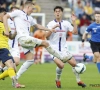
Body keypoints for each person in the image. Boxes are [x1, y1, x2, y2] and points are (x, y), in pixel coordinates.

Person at [3, 1, 67, 81]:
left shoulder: (30, 18)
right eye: (32, 9)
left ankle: (16, 78)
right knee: (45, 43)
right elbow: (5, 16)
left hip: (26, 40)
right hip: (23, 38)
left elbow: (37, 26)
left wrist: (49, 29)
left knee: (30, 60)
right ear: (28, 7)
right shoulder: (18, 12)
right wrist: (6, 30)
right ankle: (61, 57)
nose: (33, 10)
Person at [46, 6, 86, 88]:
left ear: (62, 13)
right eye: (56, 11)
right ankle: (57, 80)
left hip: (64, 48)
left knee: (75, 64)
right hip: (54, 49)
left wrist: (74, 22)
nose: (57, 12)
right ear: (54, 13)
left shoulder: (66, 23)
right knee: (61, 65)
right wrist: (52, 29)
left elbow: (75, 32)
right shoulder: (50, 24)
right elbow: (46, 37)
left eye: (59, 11)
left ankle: (79, 81)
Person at [0, 7, 24, 88]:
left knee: (13, 68)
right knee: (10, 65)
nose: (5, 16)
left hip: (6, 48)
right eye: (4, 14)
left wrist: (16, 33)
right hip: (1, 48)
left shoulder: (6, 25)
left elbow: (10, 37)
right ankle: (15, 83)